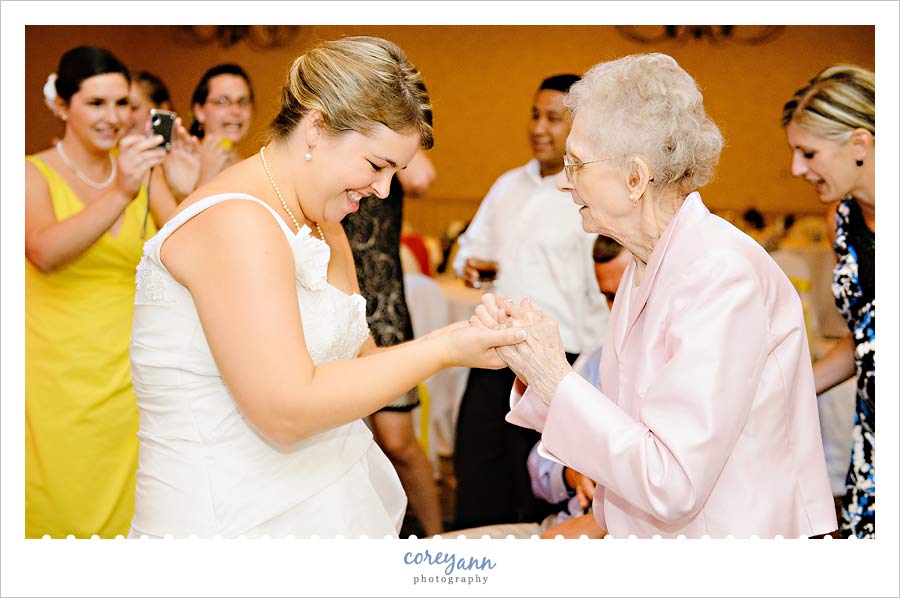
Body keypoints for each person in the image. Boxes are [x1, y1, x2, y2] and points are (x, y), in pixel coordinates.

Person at [127, 36, 525, 539]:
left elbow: (359, 365)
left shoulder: (325, 225)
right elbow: (285, 409)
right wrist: (443, 350)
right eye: (377, 166)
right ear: (316, 126)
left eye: (395, 173)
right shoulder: (235, 222)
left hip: (327, 510)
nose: (383, 191)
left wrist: (464, 338)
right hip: (227, 527)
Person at [478, 53, 837, 539]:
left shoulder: (720, 273)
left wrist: (553, 375)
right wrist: (533, 365)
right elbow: (629, 420)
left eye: (577, 163)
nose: (564, 181)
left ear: (635, 178)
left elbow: (673, 481)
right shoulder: (648, 260)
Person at [25, 46, 195, 538]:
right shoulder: (29, 173)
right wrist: (121, 191)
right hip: (54, 372)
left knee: (132, 510)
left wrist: (185, 187)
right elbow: (44, 251)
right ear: (62, 105)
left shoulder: (143, 174)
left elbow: (188, 252)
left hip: (127, 373)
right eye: (96, 104)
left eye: (122, 103)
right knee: (57, 500)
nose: (113, 117)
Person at [451, 74, 609, 530]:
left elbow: (600, 291)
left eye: (554, 119)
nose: (539, 127)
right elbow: (471, 244)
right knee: (479, 473)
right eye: (535, 115)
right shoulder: (508, 185)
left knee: (542, 486)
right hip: (494, 356)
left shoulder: (588, 193)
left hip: (561, 360)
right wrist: (469, 263)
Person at [449, 235, 626, 540]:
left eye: (627, 293)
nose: (618, 308)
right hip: (562, 522)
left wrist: (600, 523)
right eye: (609, 297)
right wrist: (570, 475)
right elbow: (538, 464)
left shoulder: (684, 368)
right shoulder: (597, 359)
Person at [782, 64, 875, 538]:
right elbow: (868, 336)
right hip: (873, 428)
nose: (798, 168)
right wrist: (789, 387)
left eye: (809, 152)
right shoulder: (843, 218)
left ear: (860, 144)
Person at [342, 149, 444, 536]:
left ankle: (439, 540)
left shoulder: (388, 143)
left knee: (397, 441)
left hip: (381, 305)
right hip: (331, 300)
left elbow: (420, 178)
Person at [189, 63, 255, 186]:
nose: (236, 111)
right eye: (223, 101)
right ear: (199, 111)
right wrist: (207, 175)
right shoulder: (180, 165)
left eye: (243, 101)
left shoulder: (257, 169)